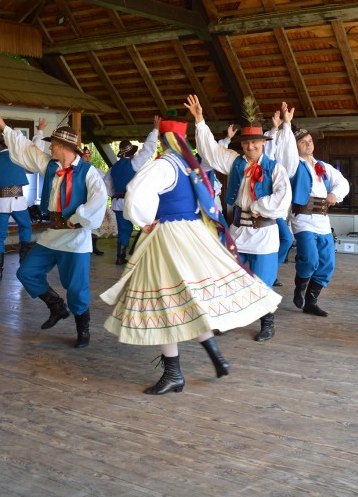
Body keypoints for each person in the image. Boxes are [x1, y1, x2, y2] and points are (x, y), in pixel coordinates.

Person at [101, 113, 282, 395]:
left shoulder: (163, 166)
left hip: (169, 237)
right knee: (188, 299)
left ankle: (174, 373)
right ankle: (216, 357)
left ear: (163, 141)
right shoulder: (190, 165)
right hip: (193, 234)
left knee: (163, 302)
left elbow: (136, 194)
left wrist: (144, 219)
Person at [0, 110, 108, 348]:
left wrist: (79, 217)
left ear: (65, 147)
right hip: (52, 235)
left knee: (76, 289)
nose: (50, 148)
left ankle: (83, 329)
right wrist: (5, 128)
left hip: (76, 237)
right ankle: (57, 307)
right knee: (26, 272)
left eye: (53, 145)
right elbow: (29, 151)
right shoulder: (50, 166)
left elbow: (99, 199)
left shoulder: (88, 172)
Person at [189, 95, 291, 342]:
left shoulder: (275, 168)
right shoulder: (235, 163)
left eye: (255, 143)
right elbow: (210, 152)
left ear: (263, 143)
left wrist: (258, 205)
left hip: (264, 235)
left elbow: (283, 197)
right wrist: (200, 120)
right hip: (238, 232)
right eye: (246, 143)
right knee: (232, 278)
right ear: (242, 144)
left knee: (263, 282)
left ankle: (267, 322)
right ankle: (229, 319)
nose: (251, 147)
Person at [279, 125, 349, 317]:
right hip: (302, 219)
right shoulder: (293, 165)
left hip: (323, 221)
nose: (308, 144)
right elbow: (286, 153)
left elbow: (343, 182)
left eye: (309, 141)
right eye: (303, 142)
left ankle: (311, 301)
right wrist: (285, 124)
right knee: (310, 259)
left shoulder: (323, 166)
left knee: (328, 264)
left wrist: (334, 193)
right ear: (295, 146)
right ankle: (299, 287)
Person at [0, 119, 46, 280]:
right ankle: (23, 263)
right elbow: (36, 151)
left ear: (1, 145)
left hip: (1, 201)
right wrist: (40, 131)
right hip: (18, 199)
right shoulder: (20, 157)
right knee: (25, 227)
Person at [104, 119, 159, 265]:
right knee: (145, 223)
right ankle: (137, 253)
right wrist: (155, 130)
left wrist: (114, 194)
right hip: (132, 202)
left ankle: (120, 257)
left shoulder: (113, 168)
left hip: (118, 203)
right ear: (132, 153)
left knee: (124, 229)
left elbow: (107, 186)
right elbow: (148, 150)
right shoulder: (133, 163)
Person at [265, 103, 298, 283]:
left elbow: (288, 154)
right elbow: (270, 151)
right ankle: (270, 272)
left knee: (284, 239)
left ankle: (272, 271)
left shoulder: (285, 167)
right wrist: (277, 127)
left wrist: (286, 125)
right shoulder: (265, 158)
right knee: (283, 238)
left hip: (279, 206)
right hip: (267, 204)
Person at [81, 146, 105, 256]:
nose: (88, 158)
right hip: (83, 200)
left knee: (95, 224)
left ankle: (93, 246)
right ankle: (85, 247)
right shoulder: (79, 169)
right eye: (85, 156)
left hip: (93, 199)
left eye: (89, 156)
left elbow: (104, 181)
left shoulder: (94, 169)